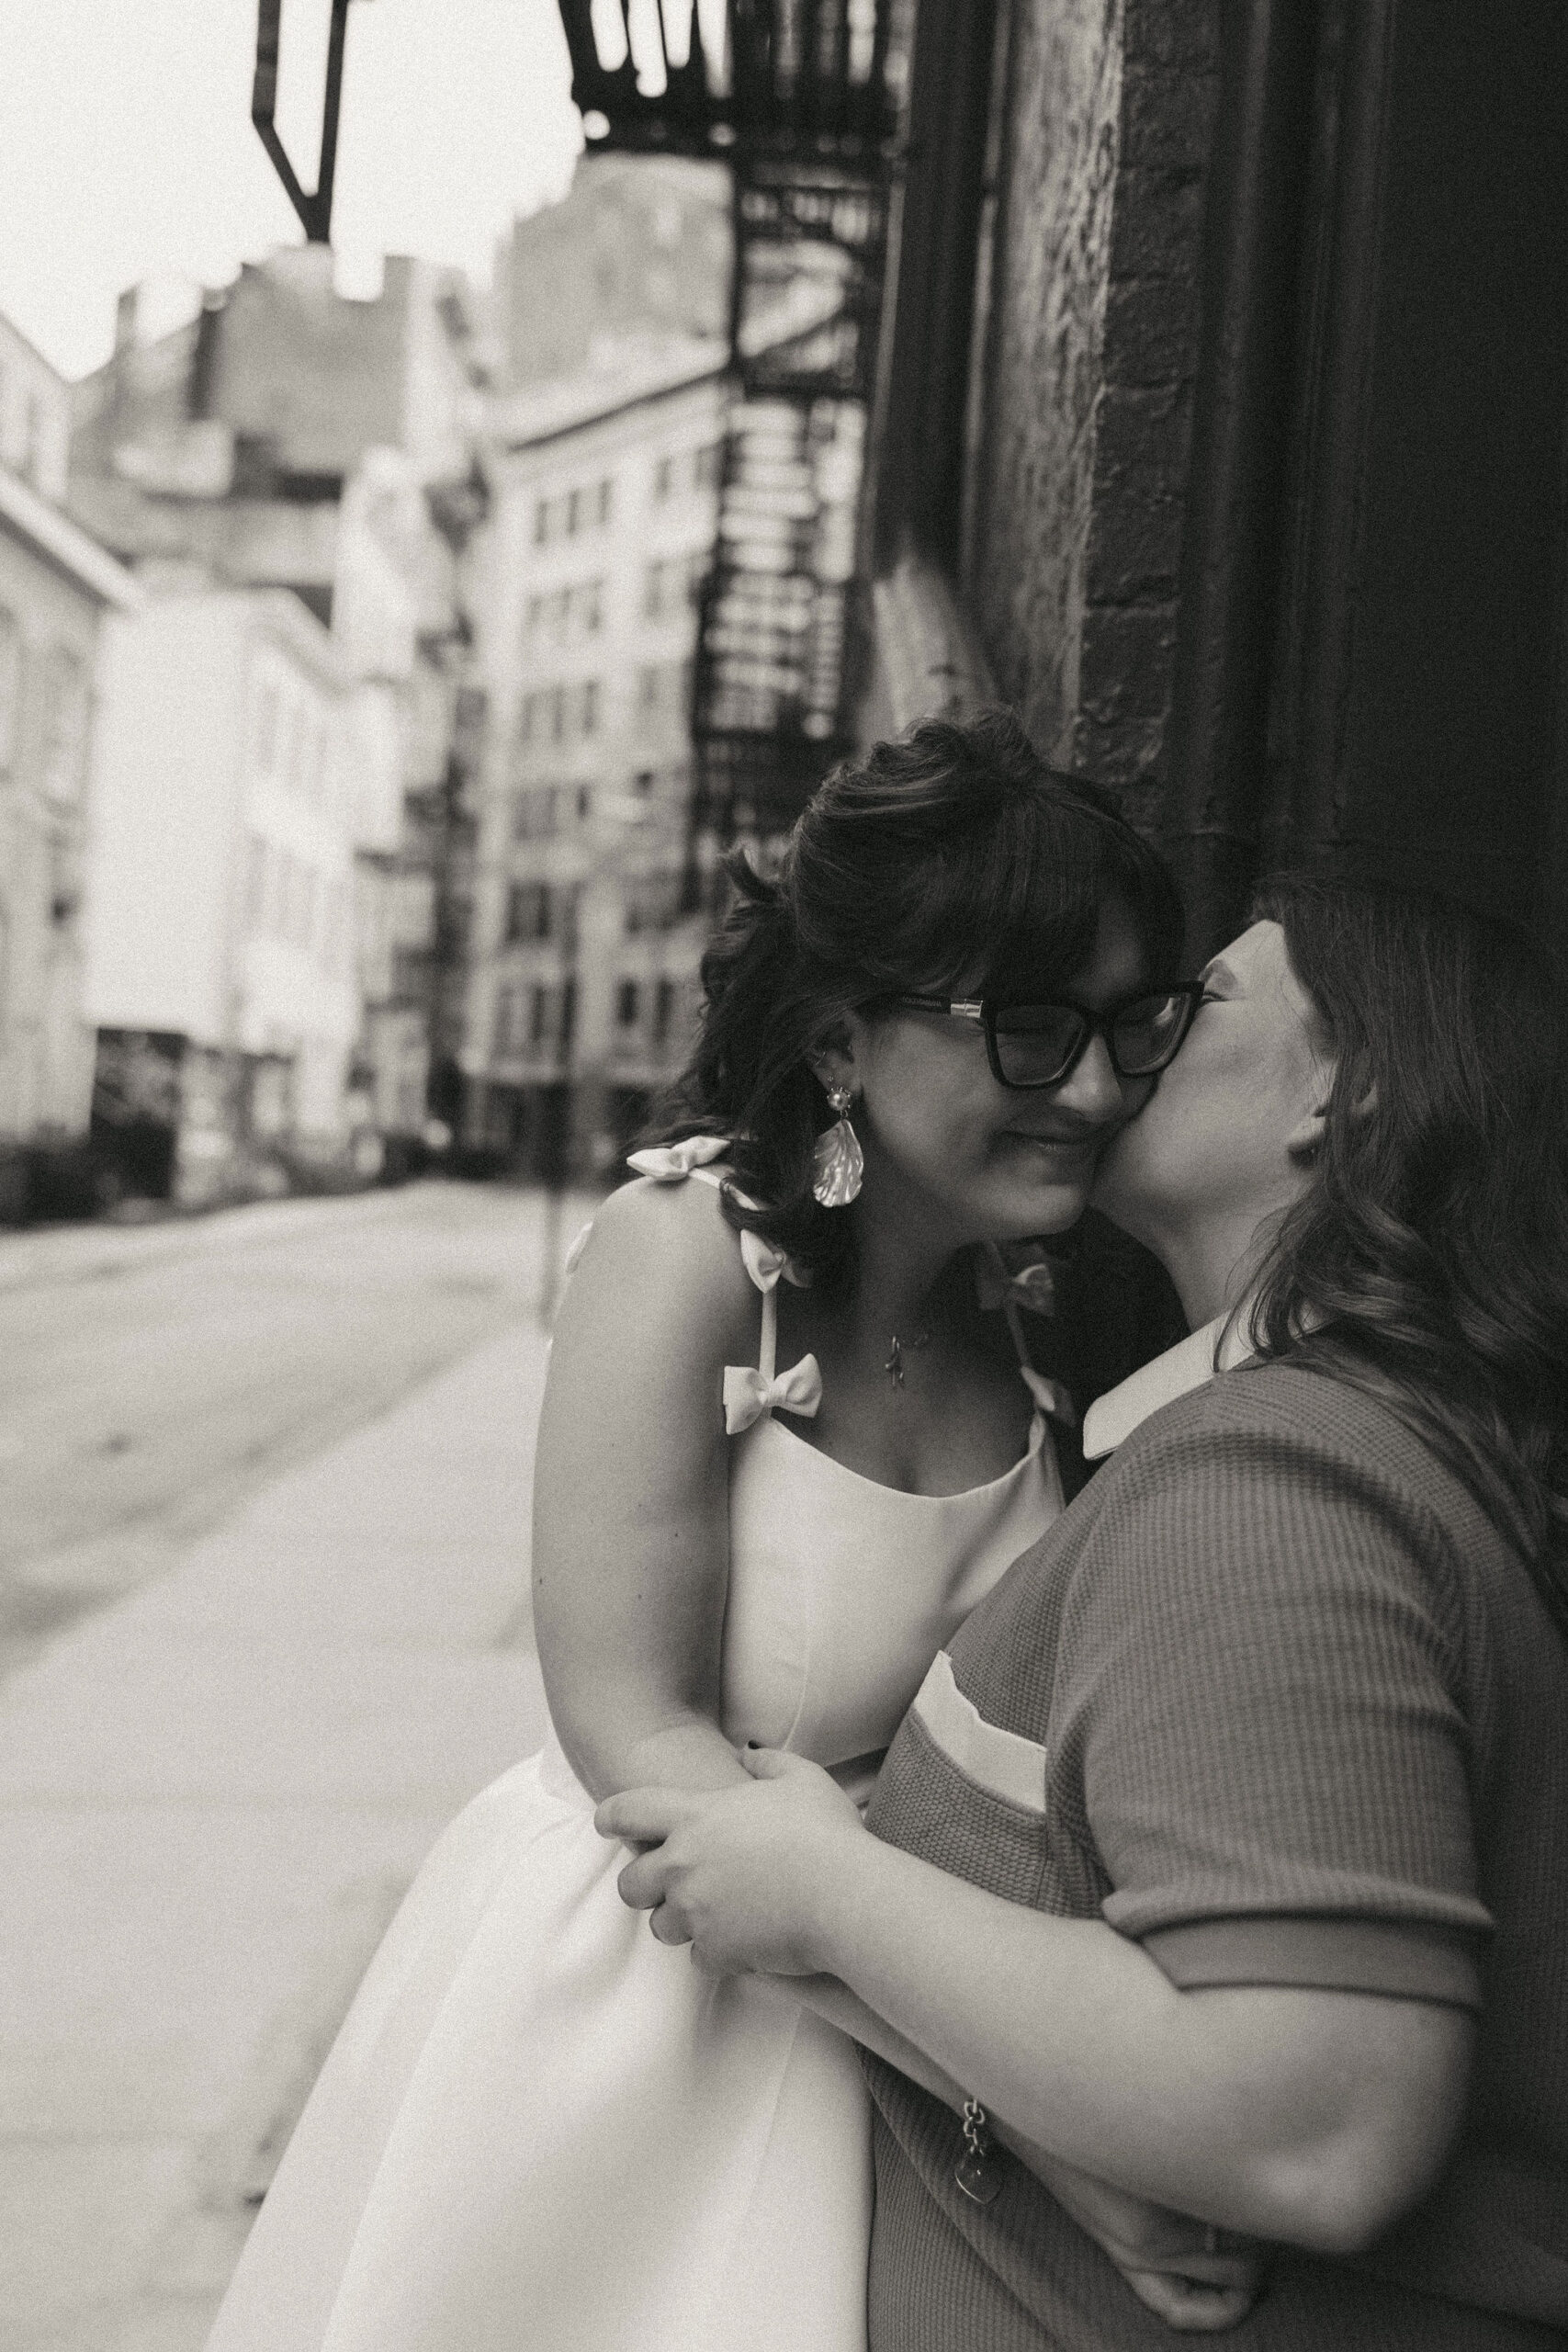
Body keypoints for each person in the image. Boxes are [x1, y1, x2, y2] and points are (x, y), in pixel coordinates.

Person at [204, 710, 1216, 2352]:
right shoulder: (685, 1255)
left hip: (889, 2030)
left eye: (1129, 1025)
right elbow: (635, 1736)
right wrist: (1024, 2110)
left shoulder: (1045, 1324)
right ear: (838, 1045)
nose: (1095, 1087)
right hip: (628, 2020)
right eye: (1032, 1027)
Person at [603, 876, 1568, 2348]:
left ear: (1344, 1094)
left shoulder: (1274, 1486)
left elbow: (1318, 2121)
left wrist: (830, 1886)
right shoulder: (1328, 1448)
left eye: (1196, 1006)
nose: (1120, 1061)